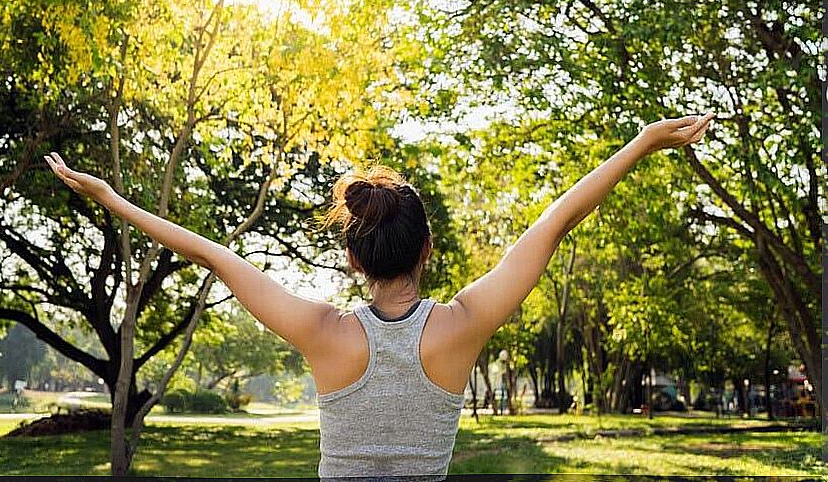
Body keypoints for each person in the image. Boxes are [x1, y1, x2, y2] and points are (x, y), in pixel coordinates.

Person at [44, 113, 714, 479]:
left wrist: (109, 197)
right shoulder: (463, 326)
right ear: (427, 250)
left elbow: (210, 253)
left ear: (351, 258)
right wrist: (642, 141)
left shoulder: (321, 332)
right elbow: (554, 221)